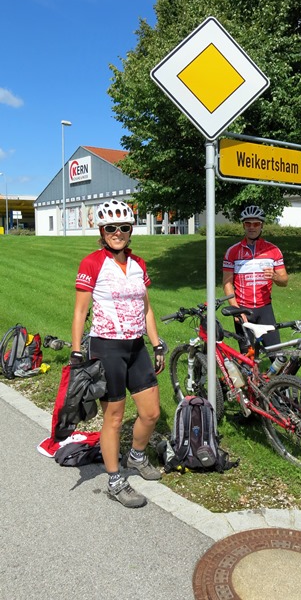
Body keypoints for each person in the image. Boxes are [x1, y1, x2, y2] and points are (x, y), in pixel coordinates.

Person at [71, 199, 165, 508]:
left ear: (130, 230)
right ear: (102, 231)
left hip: (136, 346)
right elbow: (80, 311)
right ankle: (114, 481)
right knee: (114, 417)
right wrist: (76, 351)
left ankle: (136, 456)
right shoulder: (92, 263)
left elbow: (146, 308)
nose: (118, 233)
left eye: (124, 227)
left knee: (151, 413)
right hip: (106, 347)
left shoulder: (138, 264)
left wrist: (156, 343)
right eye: (111, 227)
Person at [222, 205, 288, 353]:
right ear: (243, 226)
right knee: (248, 356)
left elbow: (284, 281)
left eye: (256, 224)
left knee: (277, 354)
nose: (252, 227)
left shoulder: (273, 250)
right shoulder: (232, 251)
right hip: (242, 309)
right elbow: (227, 283)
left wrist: (275, 276)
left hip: (265, 309)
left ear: (262, 225)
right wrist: (236, 309)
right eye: (248, 223)